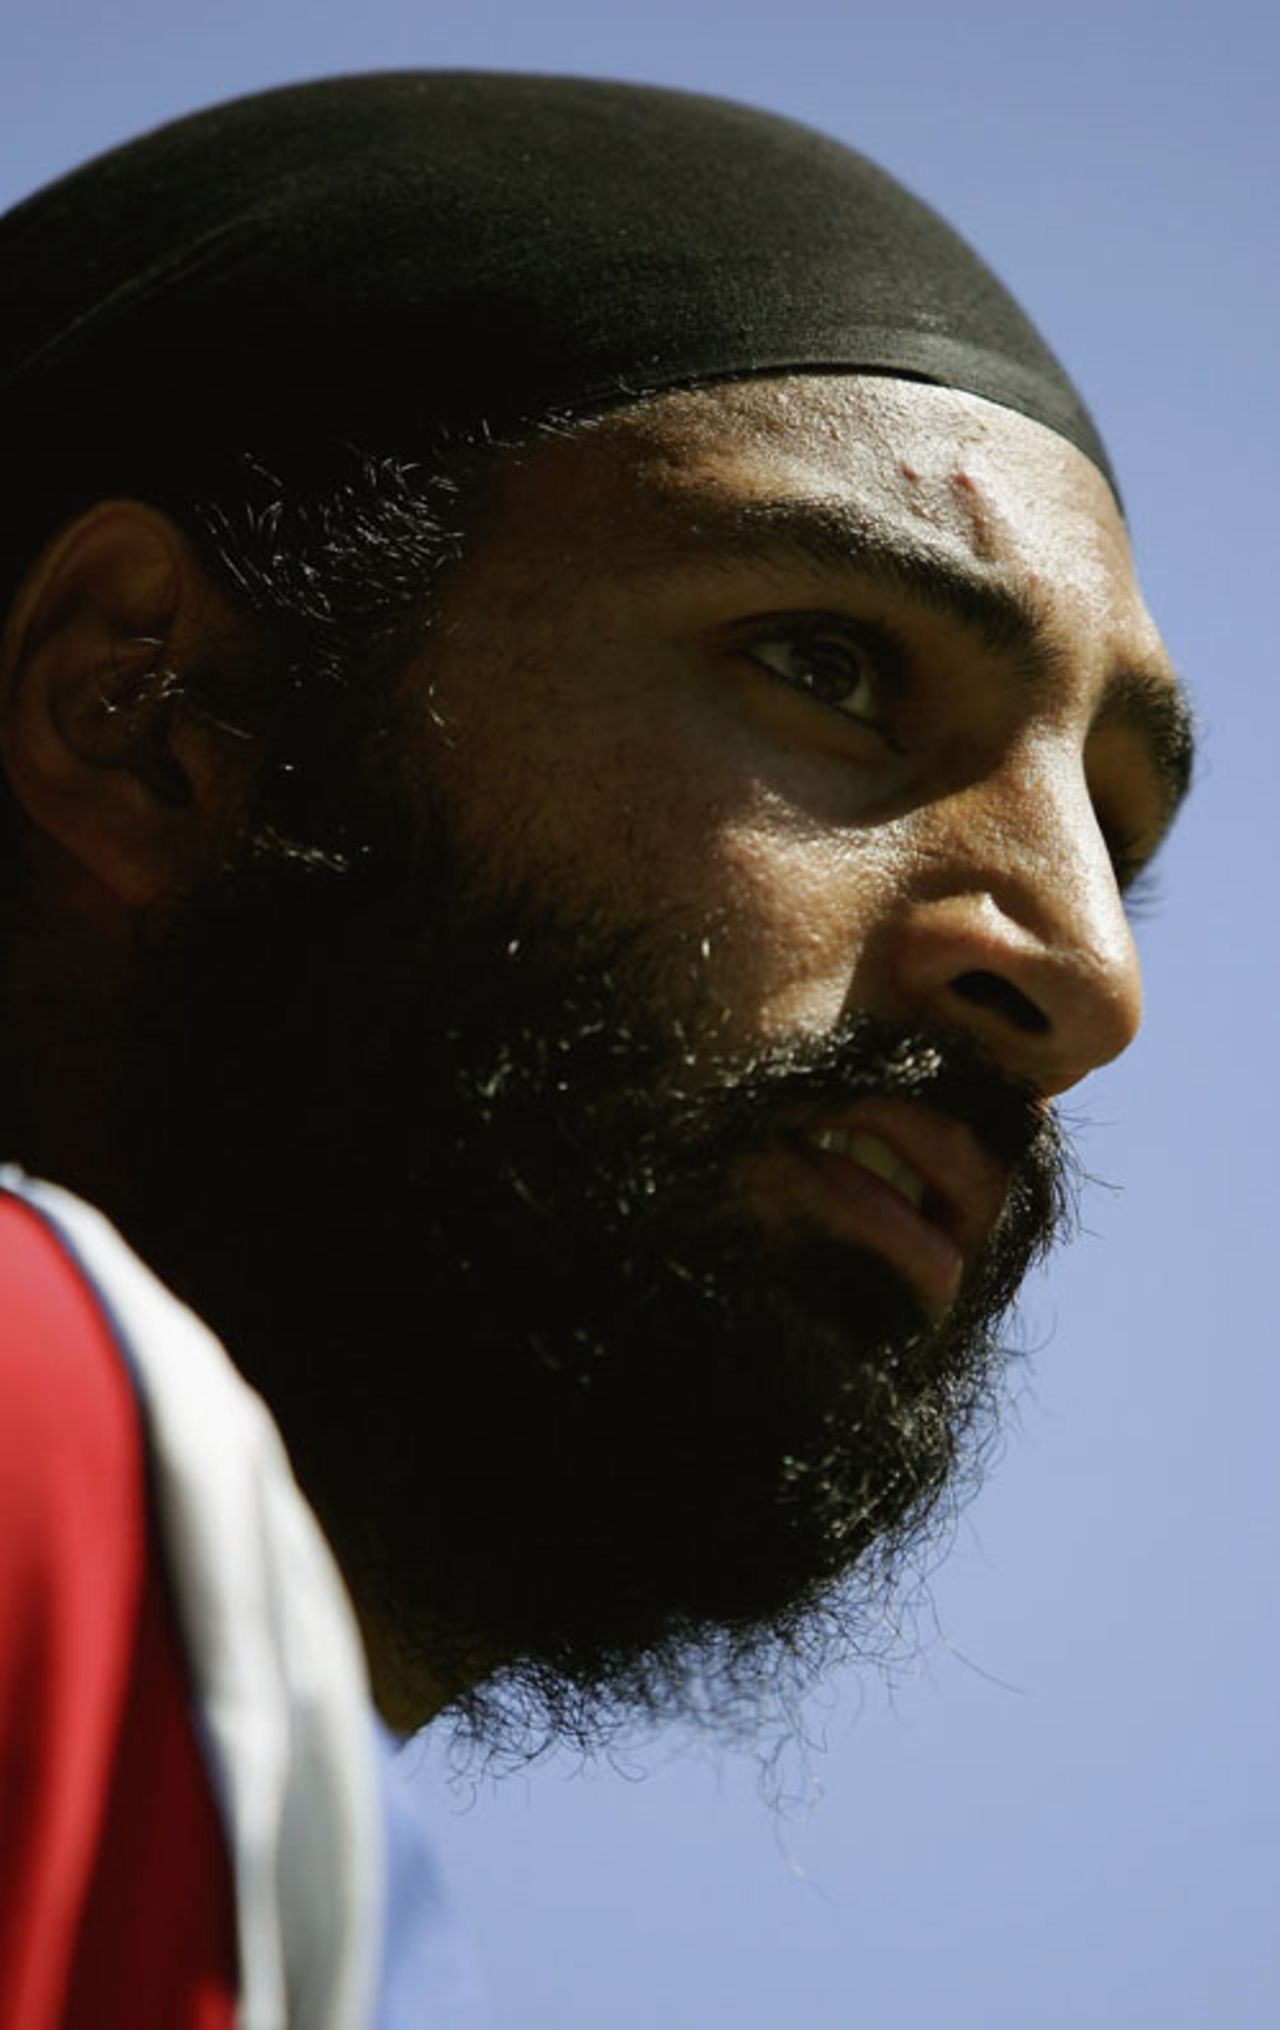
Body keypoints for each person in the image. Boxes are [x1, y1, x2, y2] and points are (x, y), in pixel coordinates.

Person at [0, 71, 1193, 2028]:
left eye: (1125, 843)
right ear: (150, 707)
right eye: (829, 663)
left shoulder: (303, 1877)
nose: (1083, 970)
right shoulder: (31, 1402)